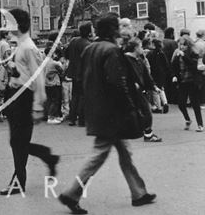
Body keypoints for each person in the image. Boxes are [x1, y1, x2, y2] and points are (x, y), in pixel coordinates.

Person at [58, 13, 156, 214]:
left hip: (96, 108)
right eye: (117, 27)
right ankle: (71, 192)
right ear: (113, 30)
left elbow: (84, 78)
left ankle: (139, 193)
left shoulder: (90, 48)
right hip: (111, 112)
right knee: (99, 154)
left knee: (124, 152)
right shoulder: (111, 51)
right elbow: (116, 83)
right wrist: (129, 106)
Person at [0, 8, 58, 196]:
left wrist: (37, 106)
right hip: (15, 95)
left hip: (24, 97)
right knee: (17, 141)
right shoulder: (20, 45)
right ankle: (47, 157)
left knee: (18, 141)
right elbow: (23, 72)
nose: (5, 26)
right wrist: (12, 68)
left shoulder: (29, 47)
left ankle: (19, 182)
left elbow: (38, 78)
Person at [122, 38, 162, 142]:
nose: (142, 49)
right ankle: (146, 134)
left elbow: (146, 75)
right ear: (135, 48)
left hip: (139, 90)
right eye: (140, 47)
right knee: (143, 111)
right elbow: (123, 75)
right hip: (130, 91)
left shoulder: (139, 60)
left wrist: (154, 87)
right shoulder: (126, 60)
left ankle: (147, 133)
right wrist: (131, 84)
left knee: (145, 111)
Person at [171, 37, 203, 131]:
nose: (182, 47)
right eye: (180, 45)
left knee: (195, 103)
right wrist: (174, 75)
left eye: (184, 45)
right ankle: (188, 119)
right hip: (182, 81)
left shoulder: (193, 53)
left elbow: (193, 66)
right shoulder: (177, 54)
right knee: (181, 103)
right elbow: (173, 66)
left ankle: (200, 125)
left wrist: (184, 55)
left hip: (192, 80)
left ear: (188, 45)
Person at [66, 22, 93, 127]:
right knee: (83, 96)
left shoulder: (73, 41)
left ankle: (72, 118)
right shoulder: (88, 44)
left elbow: (67, 54)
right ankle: (82, 120)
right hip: (83, 73)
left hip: (73, 72)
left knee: (75, 96)